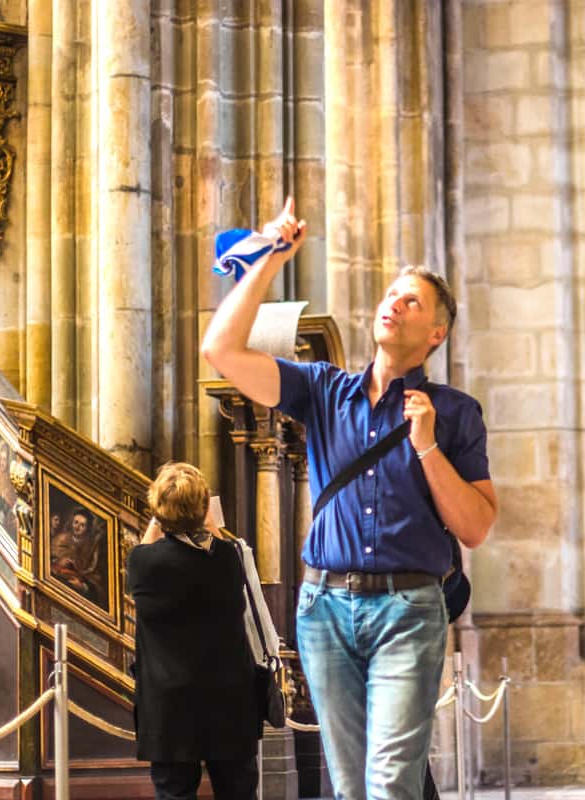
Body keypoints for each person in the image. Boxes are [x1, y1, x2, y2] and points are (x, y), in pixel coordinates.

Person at [201, 198, 497, 799]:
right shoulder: (324, 391)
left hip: (408, 609)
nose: (394, 303)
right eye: (391, 295)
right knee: (350, 788)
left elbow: (475, 527)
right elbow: (221, 351)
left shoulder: (455, 412)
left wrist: (427, 446)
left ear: (436, 333)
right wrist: (269, 260)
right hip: (325, 607)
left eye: (412, 301)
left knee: (389, 784)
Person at [126, 462, 260, 800]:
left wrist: (161, 518)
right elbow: (219, 543)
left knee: (174, 794)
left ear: (158, 509)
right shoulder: (227, 558)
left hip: (169, 706)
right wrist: (204, 520)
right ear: (203, 509)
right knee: (238, 793)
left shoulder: (142, 562)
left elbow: (146, 546)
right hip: (229, 700)